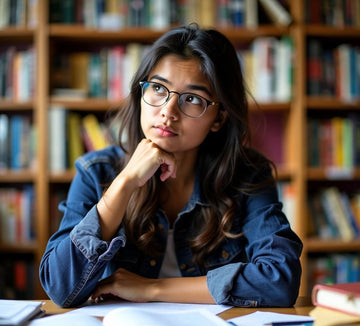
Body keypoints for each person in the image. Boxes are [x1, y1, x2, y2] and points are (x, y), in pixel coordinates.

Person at [40, 24, 303, 308]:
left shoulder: (247, 176)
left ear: (219, 118)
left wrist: (152, 289)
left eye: (192, 99)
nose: (167, 111)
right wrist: (125, 182)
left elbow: (280, 279)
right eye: (157, 88)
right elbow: (60, 287)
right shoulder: (97, 172)